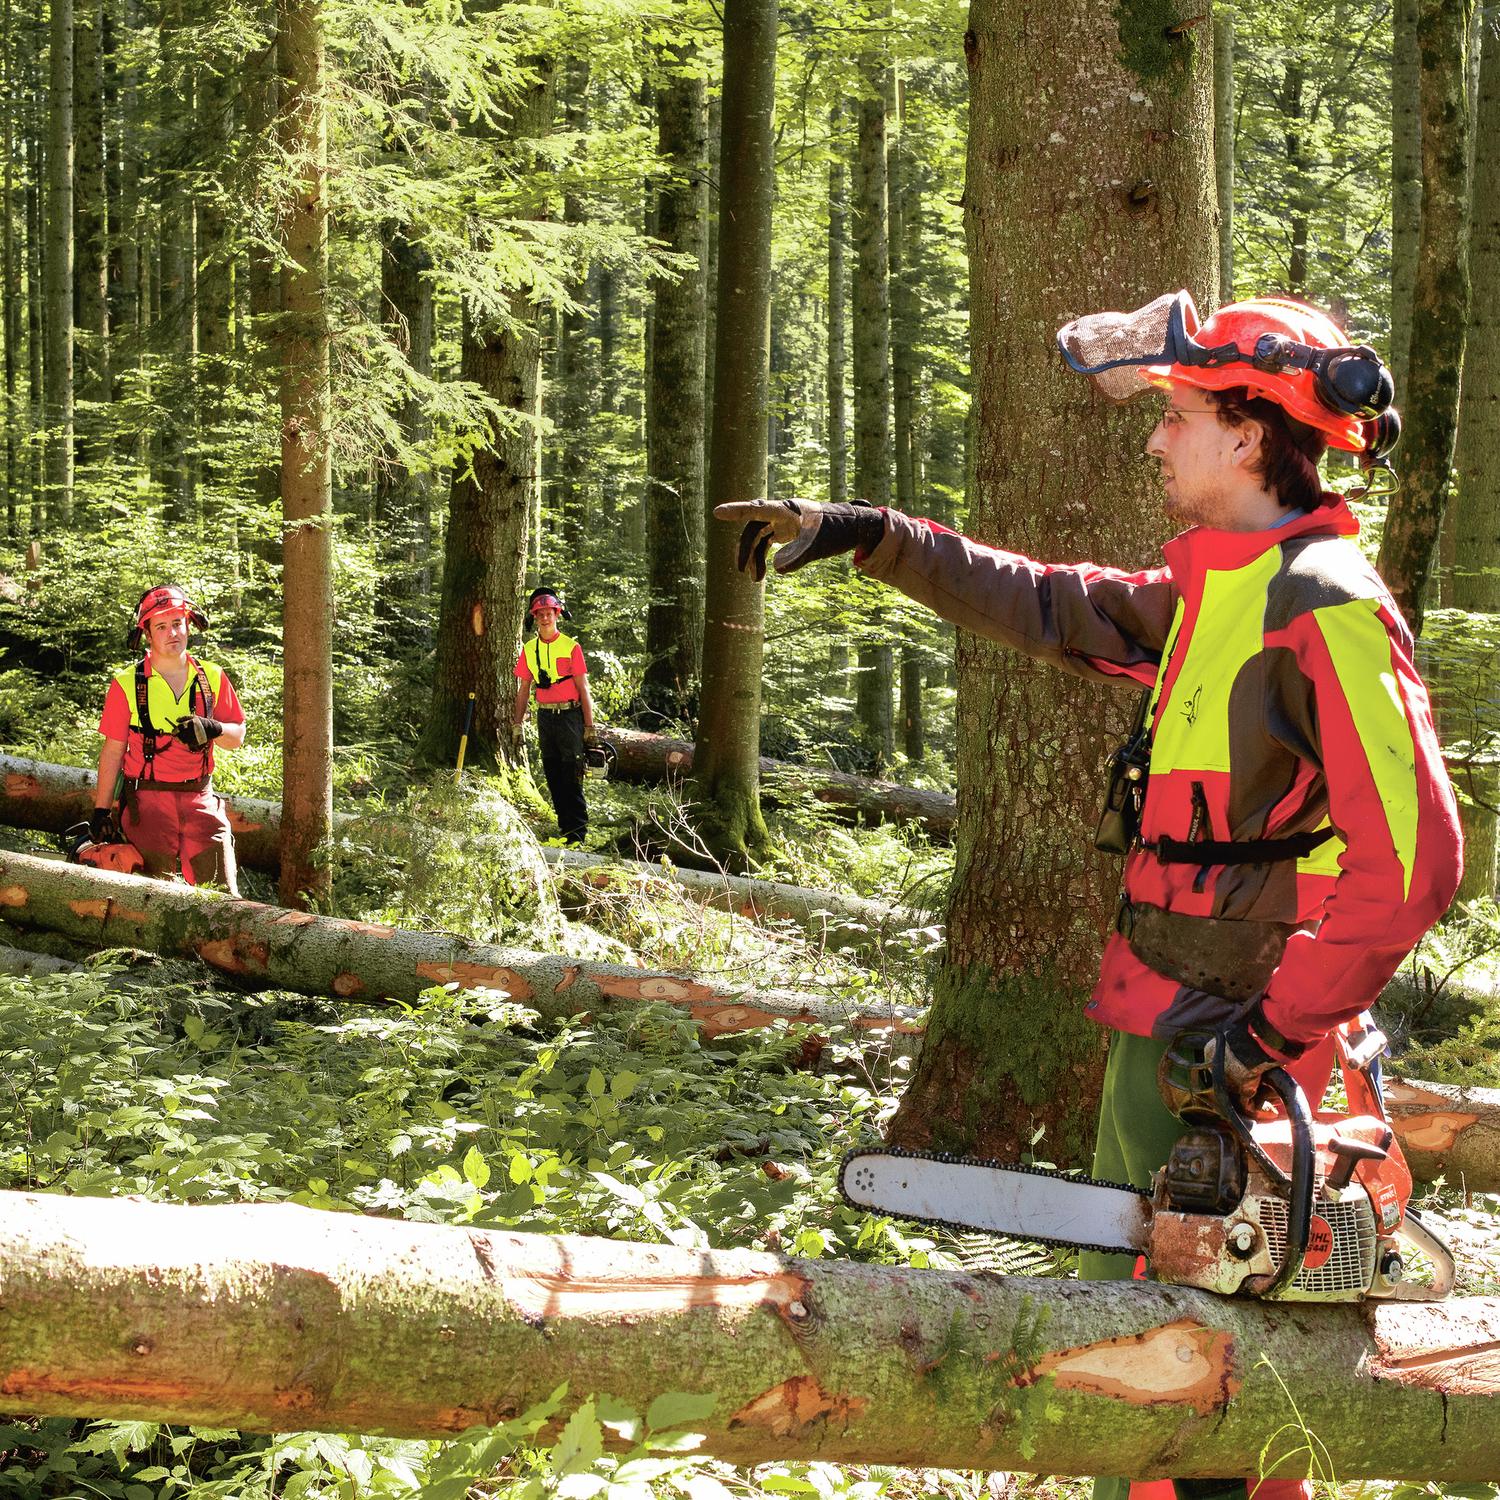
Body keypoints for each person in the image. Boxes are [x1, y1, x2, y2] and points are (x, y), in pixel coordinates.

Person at [717, 292, 1463, 1500]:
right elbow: (1057, 604)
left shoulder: (1325, 604)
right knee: (1162, 1346)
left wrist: (1281, 1031)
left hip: (1253, 1039)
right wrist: (871, 535)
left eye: (1176, 416)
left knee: (1228, 1369)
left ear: (1247, 433)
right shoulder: (1218, 586)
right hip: (1170, 1018)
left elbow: (1418, 863)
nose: (1156, 440)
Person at [93, 585, 247, 894]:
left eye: (178, 623)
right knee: (149, 901)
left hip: (200, 801)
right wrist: (101, 810)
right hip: (146, 805)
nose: (172, 632)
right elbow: (112, 752)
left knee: (223, 900)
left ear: (189, 624)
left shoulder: (212, 677)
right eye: (161, 626)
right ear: (147, 633)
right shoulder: (126, 684)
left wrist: (213, 728)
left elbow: (237, 737)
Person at [512, 586, 598, 845]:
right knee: (552, 772)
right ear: (534, 618)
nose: (545, 618)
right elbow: (524, 689)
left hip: (570, 716)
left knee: (571, 773)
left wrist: (589, 725)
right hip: (545, 718)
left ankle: (578, 834)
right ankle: (564, 831)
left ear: (557, 614)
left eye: (549, 613)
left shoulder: (571, 647)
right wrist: (517, 724)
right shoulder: (529, 649)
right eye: (540, 614)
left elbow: (583, 688)